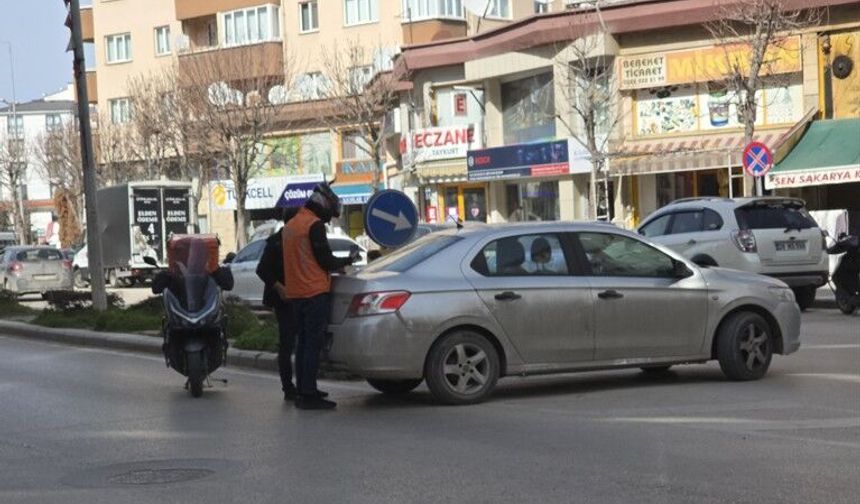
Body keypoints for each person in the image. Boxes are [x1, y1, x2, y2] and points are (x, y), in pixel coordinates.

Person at [282, 183, 360, 410]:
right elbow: (325, 260)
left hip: (296, 293)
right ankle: (308, 394)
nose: (328, 219)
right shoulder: (313, 225)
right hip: (314, 293)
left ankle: (304, 389)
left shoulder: (292, 225)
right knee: (312, 345)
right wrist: (348, 260)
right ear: (323, 205)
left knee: (302, 343)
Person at [256, 207, 299, 401]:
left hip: (301, 295)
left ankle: (306, 385)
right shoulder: (275, 242)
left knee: (302, 342)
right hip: (283, 299)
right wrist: (280, 288)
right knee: (287, 342)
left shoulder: (300, 241)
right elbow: (262, 269)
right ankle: (288, 387)